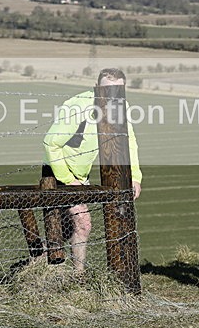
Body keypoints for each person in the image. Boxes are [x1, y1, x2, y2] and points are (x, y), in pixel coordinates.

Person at [42, 68, 142, 271]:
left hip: (81, 175)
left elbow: (128, 142)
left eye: (117, 91)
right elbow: (51, 143)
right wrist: (68, 179)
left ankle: (42, 267)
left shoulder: (121, 107)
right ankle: (78, 277)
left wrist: (135, 176)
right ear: (96, 88)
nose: (112, 96)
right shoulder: (78, 107)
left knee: (64, 230)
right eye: (107, 90)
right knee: (83, 224)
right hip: (58, 172)